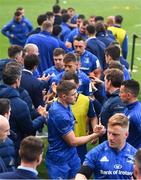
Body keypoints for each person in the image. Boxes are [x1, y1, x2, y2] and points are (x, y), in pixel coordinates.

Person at [45, 80, 105, 179]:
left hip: (71, 155)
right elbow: (72, 142)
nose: (76, 96)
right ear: (64, 97)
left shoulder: (66, 104)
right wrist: (95, 135)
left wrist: (95, 128)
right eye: (73, 94)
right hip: (59, 159)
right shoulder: (59, 114)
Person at [0, 62, 46, 157]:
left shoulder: (19, 100)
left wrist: (36, 112)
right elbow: (29, 129)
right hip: (11, 147)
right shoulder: (19, 104)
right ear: (17, 80)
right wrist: (42, 117)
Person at [75, 113, 137, 179]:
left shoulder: (135, 155)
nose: (110, 138)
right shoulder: (97, 152)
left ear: (126, 135)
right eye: (109, 133)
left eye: (115, 134)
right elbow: (82, 174)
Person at [62, 71, 98, 163]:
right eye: (66, 87)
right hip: (62, 144)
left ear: (78, 85)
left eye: (72, 86)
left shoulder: (86, 100)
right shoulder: (57, 102)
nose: (69, 90)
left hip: (80, 143)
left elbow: (93, 116)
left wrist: (95, 129)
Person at [99, 68, 126, 142]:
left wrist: (104, 130)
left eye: (105, 80)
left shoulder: (118, 101)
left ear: (109, 82)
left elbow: (119, 125)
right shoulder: (111, 97)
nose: (103, 83)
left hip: (112, 142)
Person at [120, 79, 141, 149]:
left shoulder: (135, 115)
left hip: (133, 155)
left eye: (121, 92)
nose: (119, 95)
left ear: (128, 95)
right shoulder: (128, 107)